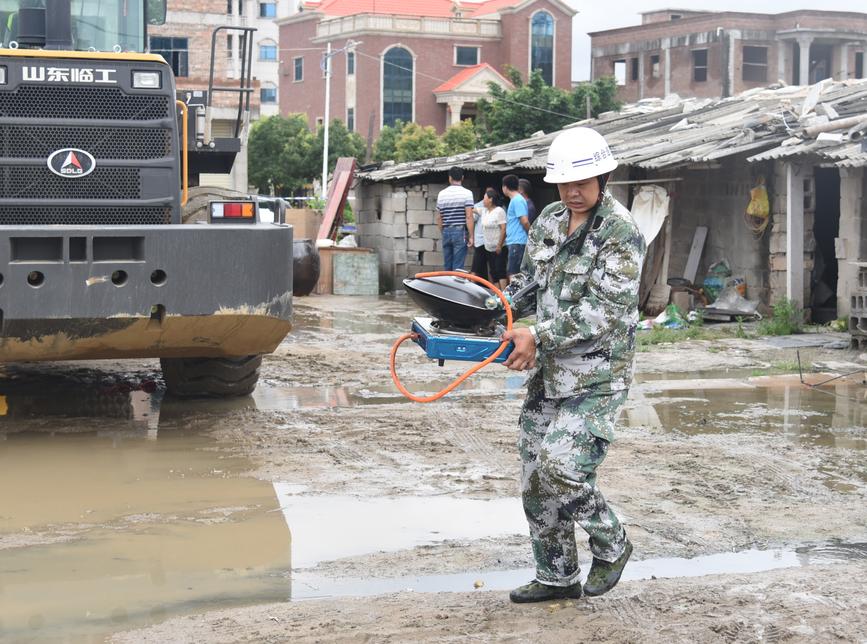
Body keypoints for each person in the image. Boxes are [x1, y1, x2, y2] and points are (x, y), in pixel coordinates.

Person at [500, 127, 646, 603]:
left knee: (561, 468)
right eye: (564, 183)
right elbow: (528, 283)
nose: (573, 192)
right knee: (534, 478)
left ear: (605, 175)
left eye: (582, 182)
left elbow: (604, 311)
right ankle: (557, 576)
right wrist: (492, 311)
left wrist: (536, 334)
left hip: (596, 376)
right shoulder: (548, 219)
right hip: (548, 375)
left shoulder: (621, 232)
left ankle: (613, 542)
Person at [436, 166, 474, 271]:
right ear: (462, 178)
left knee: (447, 265)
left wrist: (443, 231)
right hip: (460, 231)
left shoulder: (441, 194)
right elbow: (469, 216)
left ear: (450, 178)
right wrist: (471, 236)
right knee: (458, 267)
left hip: (446, 230)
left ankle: (447, 287)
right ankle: (455, 287)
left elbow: (439, 217)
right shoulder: (467, 194)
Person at [476, 188, 507, 289]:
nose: (483, 200)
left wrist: (499, 245)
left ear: (491, 199)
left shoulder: (499, 211)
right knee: (493, 272)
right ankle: (497, 295)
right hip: (488, 247)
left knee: (500, 271)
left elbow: (503, 229)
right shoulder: (484, 211)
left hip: (499, 248)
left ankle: (505, 296)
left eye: (484, 198)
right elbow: (473, 209)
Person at [501, 174, 529, 281]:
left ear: (505, 187)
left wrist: (531, 234)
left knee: (514, 274)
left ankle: (515, 297)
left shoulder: (517, 200)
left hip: (518, 241)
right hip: (515, 241)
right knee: (513, 273)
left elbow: (525, 221)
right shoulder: (515, 200)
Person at [469, 193, 489, 281]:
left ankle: (494, 291)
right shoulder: (481, 208)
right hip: (481, 242)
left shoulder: (498, 210)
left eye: (486, 197)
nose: (484, 200)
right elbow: (471, 215)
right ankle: (472, 287)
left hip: (491, 243)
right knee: (476, 267)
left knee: (492, 269)